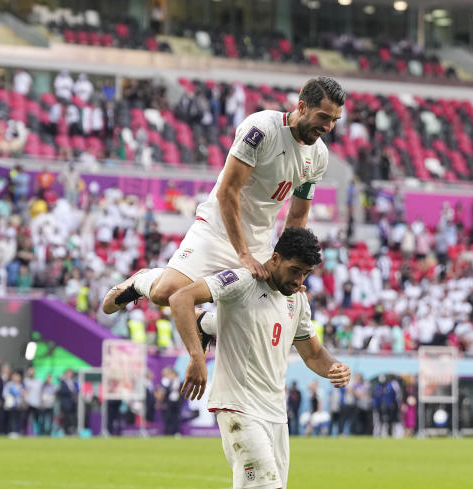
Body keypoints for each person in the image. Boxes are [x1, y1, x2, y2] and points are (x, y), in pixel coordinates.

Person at [170, 227, 349, 489]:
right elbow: (181, 298)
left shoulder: (297, 301)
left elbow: (313, 353)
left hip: (274, 414)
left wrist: (335, 368)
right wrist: (196, 357)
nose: (299, 280)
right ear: (275, 258)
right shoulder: (240, 281)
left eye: (306, 275)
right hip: (237, 407)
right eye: (295, 270)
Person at [102, 77, 344, 348]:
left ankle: (204, 323)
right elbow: (227, 192)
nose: (328, 126)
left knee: (266, 320)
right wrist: (243, 254)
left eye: (335, 119)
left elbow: (297, 218)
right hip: (218, 229)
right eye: (324, 116)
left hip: (260, 242)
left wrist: (289, 263)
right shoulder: (261, 129)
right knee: (165, 293)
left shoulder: (319, 156)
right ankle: (142, 279)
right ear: (302, 107)